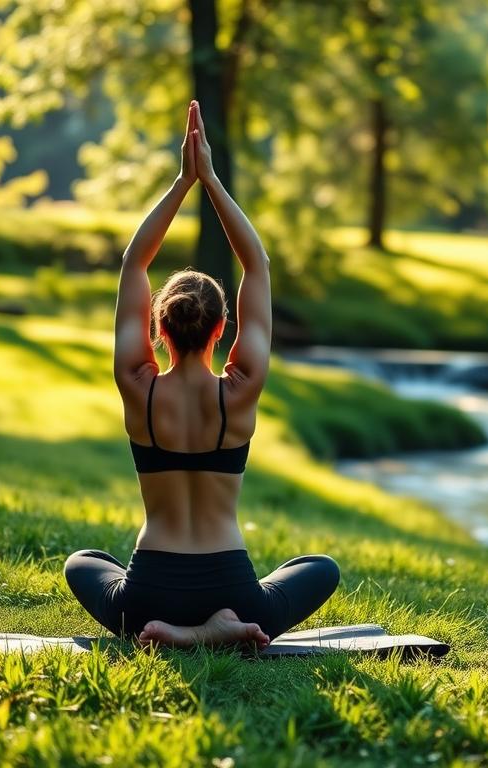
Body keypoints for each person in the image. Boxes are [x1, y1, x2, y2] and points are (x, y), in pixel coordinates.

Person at [63, 100, 340, 650]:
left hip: (147, 594)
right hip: (231, 588)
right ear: (221, 332)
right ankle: (214, 630)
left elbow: (134, 265)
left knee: (83, 562)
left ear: (159, 331)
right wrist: (210, 179)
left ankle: (178, 633)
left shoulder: (137, 385)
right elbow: (257, 263)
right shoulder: (239, 391)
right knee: (320, 567)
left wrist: (181, 183)